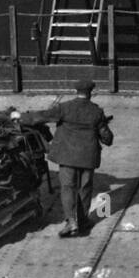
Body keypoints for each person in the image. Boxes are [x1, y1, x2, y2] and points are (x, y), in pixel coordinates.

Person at [23, 79, 114, 238]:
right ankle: (83, 221)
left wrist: (20, 117)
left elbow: (41, 117)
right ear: (90, 93)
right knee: (85, 189)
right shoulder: (96, 112)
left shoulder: (64, 108)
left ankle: (71, 222)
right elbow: (107, 138)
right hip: (87, 157)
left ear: (76, 91)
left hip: (67, 156)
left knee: (68, 188)